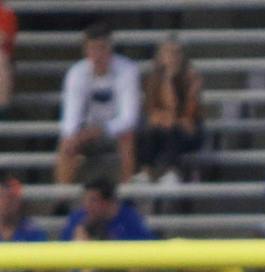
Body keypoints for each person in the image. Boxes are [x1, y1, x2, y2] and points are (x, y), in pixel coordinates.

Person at [56, 22, 139, 185]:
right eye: (92, 49)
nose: (98, 55)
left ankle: (128, 193)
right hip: (87, 131)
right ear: (85, 51)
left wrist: (102, 130)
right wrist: (73, 137)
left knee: (127, 137)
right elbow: (71, 116)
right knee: (66, 144)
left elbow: (129, 118)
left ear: (110, 49)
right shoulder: (76, 73)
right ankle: (62, 200)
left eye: (102, 48)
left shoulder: (127, 70)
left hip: (115, 132)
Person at [138, 38, 203, 184]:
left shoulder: (191, 78)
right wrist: (166, 78)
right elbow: (151, 113)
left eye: (176, 53)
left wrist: (170, 81)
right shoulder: (153, 79)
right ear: (160, 56)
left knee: (174, 130)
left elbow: (189, 117)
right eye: (168, 52)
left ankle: (173, 172)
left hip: (188, 132)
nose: (172, 57)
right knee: (148, 131)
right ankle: (146, 172)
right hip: (162, 128)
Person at [59, 178, 153, 243]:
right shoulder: (77, 219)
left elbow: (149, 252)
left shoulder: (130, 220)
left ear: (108, 202)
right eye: (85, 200)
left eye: (93, 200)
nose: (87, 206)